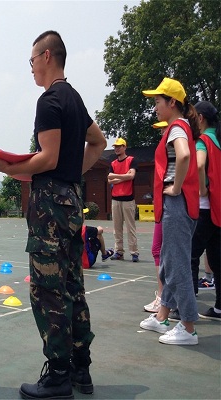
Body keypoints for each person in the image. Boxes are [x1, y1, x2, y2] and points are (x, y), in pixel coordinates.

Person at [0, 30, 107, 399]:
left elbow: (48, 157)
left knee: (48, 290)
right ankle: (79, 369)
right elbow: (98, 142)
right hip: (71, 200)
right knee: (72, 284)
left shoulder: (50, 100)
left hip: (51, 207)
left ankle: (57, 375)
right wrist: (76, 175)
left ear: (47, 56)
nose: (31, 68)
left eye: (32, 60)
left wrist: (6, 166)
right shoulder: (74, 99)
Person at [139, 77, 200, 345]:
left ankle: (188, 327)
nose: (155, 107)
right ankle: (162, 315)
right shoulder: (180, 126)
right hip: (176, 205)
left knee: (178, 265)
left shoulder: (177, 127)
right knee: (168, 261)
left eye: (157, 101)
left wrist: (175, 188)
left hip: (178, 203)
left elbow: (184, 155)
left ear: (172, 102)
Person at [190, 101, 220, 320]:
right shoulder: (218, 140)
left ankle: (187, 307)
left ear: (200, 118)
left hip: (204, 208)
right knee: (217, 259)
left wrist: (201, 188)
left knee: (190, 256)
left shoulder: (204, 140)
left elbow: (200, 165)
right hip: (218, 209)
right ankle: (219, 307)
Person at [144, 121, 168, 313]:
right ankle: (164, 297)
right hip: (164, 205)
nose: (161, 131)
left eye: (163, 128)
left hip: (171, 205)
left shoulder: (176, 141)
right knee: (160, 250)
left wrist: (174, 189)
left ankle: (164, 298)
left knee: (161, 250)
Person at [108, 138, 139, 262]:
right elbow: (109, 179)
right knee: (117, 228)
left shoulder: (131, 160)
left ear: (125, 147)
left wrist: (117, 177)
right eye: (115, 146)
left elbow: (131, 175)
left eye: (119, 146)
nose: (117, 148)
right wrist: (124, 177)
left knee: (130, 227)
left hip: (128, 198)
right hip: (115, 199)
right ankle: (119, 251)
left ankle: (134, 252)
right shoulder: (113, 163)